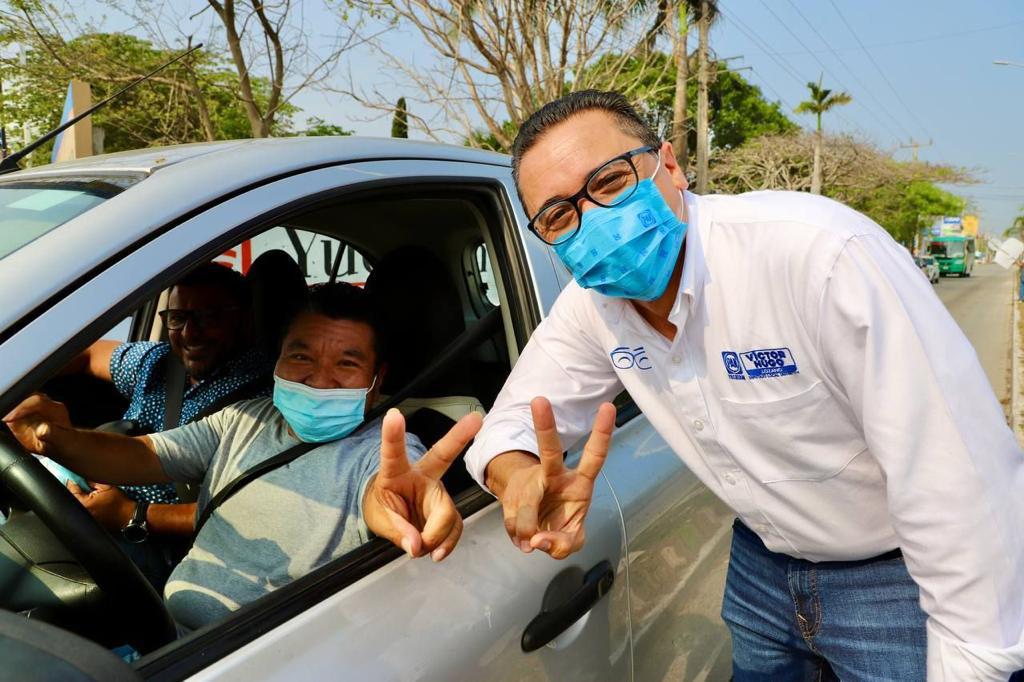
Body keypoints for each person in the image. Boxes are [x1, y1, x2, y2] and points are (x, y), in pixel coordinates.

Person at [463, 90, 1024, 680]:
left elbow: (955, 481)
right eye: (559, 216)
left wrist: (976, 657)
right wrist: (519, 476)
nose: (593, 222)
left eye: (608, 184)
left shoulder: (818, 255)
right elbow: (513, 423)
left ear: (669, 165)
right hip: (761, 569)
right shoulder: (592, 309)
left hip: (896, 578)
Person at [4, 283, 479, 631]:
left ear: (378, 382)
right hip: (170, 629)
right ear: (276, 360)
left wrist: (402, 503)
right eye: (302, 356)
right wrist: (54, 439)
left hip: (252, 656)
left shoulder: (384, 450)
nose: (319, 379)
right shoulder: (245, 417)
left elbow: (388, 490)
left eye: (347, 363)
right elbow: (142, 456)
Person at [56, 262, 273, 588]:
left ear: (243, 320)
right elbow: (86, 353)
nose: (189, 333)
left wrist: (131, 514)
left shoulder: (265, 396)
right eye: (177, 318)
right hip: (91, 510)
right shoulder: (157, 362)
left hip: (168, 550)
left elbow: (250, 511)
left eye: (208, 318)